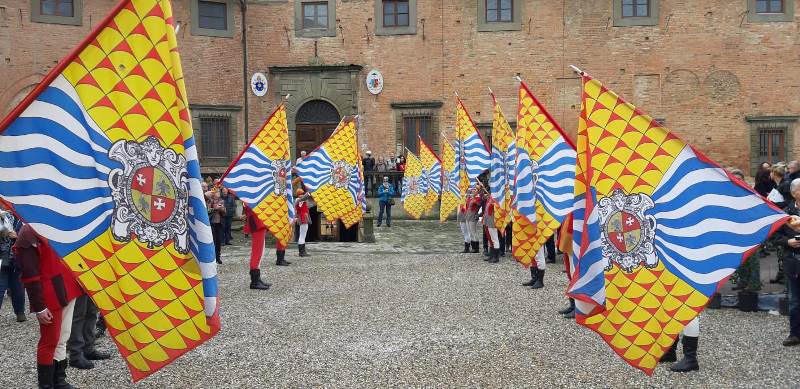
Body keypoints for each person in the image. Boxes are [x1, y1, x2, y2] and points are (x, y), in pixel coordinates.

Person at [15, 224, 82, 389]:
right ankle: (46, 385)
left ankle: (59, 380)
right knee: (49, 342)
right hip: (49, 295)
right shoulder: (28, 232)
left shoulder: (55, 221)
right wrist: (39, 307)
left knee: (62, 337)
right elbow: (30, 274)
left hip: (67, 288)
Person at [775, 178, 800, 347]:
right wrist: (787, 242)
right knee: (794, 300)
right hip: (793, 261)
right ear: (794, 193)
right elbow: (775, 237)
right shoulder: (785, 212)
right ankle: (795, 334)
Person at [67, 293, 110, 370]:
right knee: (78, 313)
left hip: (91, 281)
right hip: (77, 282)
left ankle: (88, 349)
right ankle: (75, 355)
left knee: (92, 312)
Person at [0, 206, 26, 322]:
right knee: (16, 286)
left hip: (12, 257)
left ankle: (20, 312)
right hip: (12, 258)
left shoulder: (19, 217)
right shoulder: (20, 216)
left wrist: (15, 236)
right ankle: (20, 313)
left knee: (16, 286)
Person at [242, 205, 271, 290]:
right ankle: (254, 281)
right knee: (257, 253)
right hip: (256, 221)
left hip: (258, 221)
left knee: (260, 252)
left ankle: (257, 279)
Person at [207, 190, 226, 264]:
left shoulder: (221, 201)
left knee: (218, 241)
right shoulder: (210, 201)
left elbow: (225, 212)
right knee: (213, 241)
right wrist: (215, 208)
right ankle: (212, 258)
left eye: (218, 192)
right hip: (212, 223)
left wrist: (222, 209)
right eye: (216, 192)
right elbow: (207, 211)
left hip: (219, 223)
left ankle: (218, 257)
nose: (218, 193)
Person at [295, 189, 312, 257]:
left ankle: (302, 251)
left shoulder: (299, 200)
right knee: (302, 236)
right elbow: (306, 196)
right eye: (302, 193)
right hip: (303, 218)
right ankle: (302, 252)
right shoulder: (299, 199)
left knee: (302, 235)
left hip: (303, 217)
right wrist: (311, 190)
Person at [465, 188, 481, 254]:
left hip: (473, 215)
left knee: (473, 231)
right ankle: (472, 247)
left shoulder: (478, 198)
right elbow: (467, 205)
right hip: (468, 215)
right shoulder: (470, 198)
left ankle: (476, 248)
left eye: (475, 190)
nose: (473, 191)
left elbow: (479, 205)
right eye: (473, 190)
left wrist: (475, 201)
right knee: (470, 232)